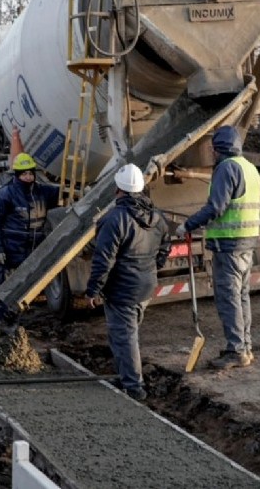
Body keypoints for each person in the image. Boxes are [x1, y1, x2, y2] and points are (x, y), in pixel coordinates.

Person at [176, 125, 260, 370]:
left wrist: (188, 225)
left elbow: (216, 207)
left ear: (217, 149)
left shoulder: (226, 168)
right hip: (246, 243)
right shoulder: (249, 168)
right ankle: (245, 347)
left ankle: (236, 351)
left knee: (229, 299)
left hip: (229, 245)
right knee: (241, 297)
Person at [84, 163, 171, 401]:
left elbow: (103, 260)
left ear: (118, 190)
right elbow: (165, 249)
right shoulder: (157, 217)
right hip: (145, 287)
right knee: (127, 334)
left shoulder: (113, 220)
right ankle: (126, 376)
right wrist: (152, 270)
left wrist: (93, 290)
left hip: (122, 289)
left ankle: (134, 387)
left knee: (124, 337)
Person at [0, 152, 60, 336]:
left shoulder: (42, 192)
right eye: (23, 174)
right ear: (16, 175)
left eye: (30, 173)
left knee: (26, 288)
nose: (28, 177)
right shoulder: (5, 194)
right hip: (12, 247)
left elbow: (64, 191)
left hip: (33, 248)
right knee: (9, 285)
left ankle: (12, 321)